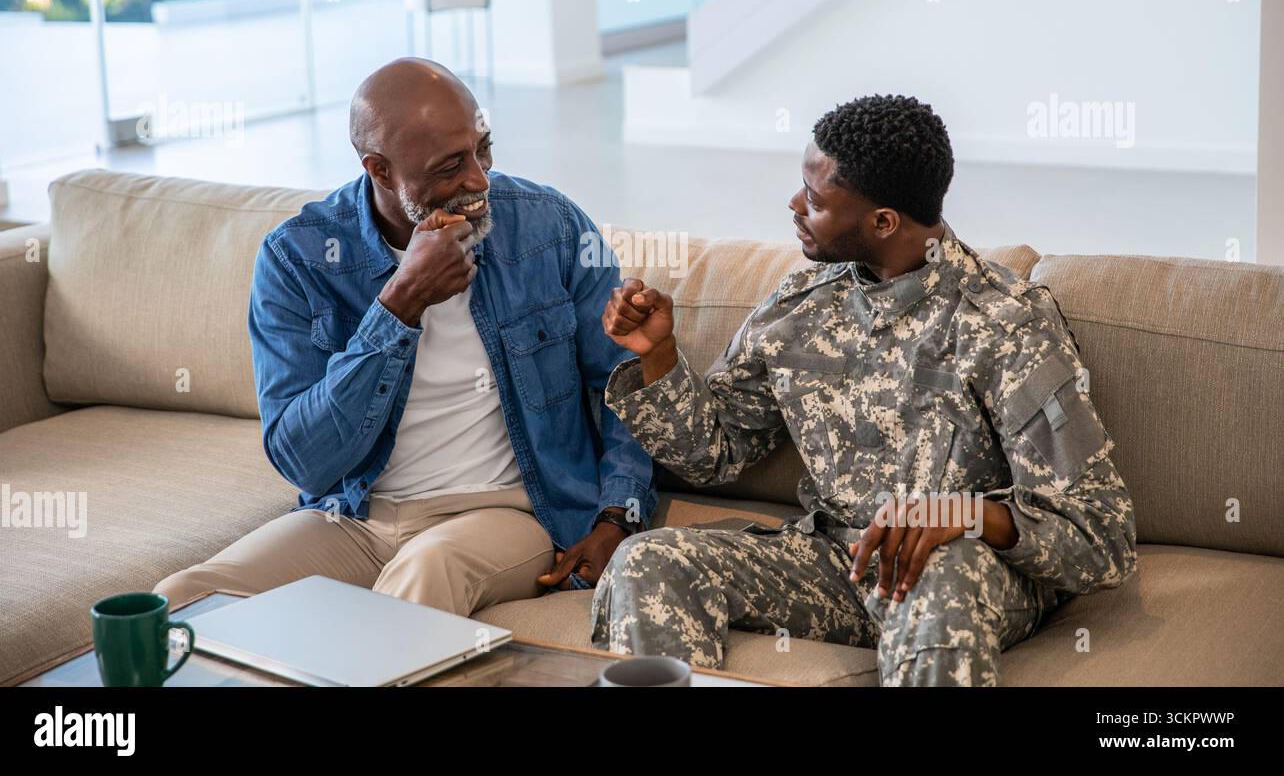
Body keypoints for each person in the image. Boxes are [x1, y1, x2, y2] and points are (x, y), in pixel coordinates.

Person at [590, 94, 1136, 685]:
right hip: (835, 563)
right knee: (648, 562)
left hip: (957, 571)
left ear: (883, 221)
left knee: (942, 576)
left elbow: (1099, 536)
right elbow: (714, 451)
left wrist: (963, 515)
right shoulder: (801, 304)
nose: (795, 206)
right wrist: (660, 356)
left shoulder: (1007, 326)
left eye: (817, 200)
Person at [156, 58, 655, 616]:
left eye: (482, 149)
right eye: (449, 167)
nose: (479, 180)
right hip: (354, 518)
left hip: (503, 514)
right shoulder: (297, 258)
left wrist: (619, 517)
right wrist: (400, 303)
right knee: (183, 601)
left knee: (425, 572)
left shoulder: (548, 227)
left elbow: (628, 379)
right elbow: (304, 461)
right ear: (380, 169)